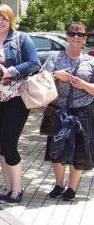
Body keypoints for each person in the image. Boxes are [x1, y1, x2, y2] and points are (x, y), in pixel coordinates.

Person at [0, 4, 40, 205]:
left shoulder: (21, 38)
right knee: (3, 145)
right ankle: (8, 188)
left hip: (16, 98)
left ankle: (17, 190)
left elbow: (34, 63)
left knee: (10, 145)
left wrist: (8, 72)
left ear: (10, 20)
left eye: (4, 18)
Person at [43, 22, 94, 201]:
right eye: (72, 33)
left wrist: (84, 85)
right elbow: (41, 79)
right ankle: (58, 184)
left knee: (80, 150)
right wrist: (56, 74)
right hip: (58, 110)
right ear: (67, 36)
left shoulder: (91, 61)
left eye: (80, 34)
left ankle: (72, 188)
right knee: (56, 150)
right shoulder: (55, 58)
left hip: (83, 110)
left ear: (85, 38)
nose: (76, 37)